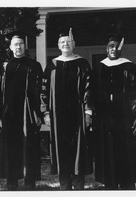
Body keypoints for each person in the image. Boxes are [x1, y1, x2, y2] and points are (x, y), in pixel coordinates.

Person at [90, 35, 136, 190]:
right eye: (110, 46)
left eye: (116, 46)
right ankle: (110, 185)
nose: (114, 49)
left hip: (125, 117)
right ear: (106, 48)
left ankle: (127, 185)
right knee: (108, 151)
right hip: (105, 118)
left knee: (125, 153)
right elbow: (93, 93)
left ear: (120, 48)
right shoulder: (100, 67)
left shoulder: (130, 67)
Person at [40, 28, 93, 190]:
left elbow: (88, 89)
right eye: (62, 42)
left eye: (68, 42)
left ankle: (78, 186)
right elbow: (43, 90)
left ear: (74, 44)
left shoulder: (82, 64)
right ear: (58, 45)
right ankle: (64, 187)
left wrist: (88, 111)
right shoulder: (52, 65)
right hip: (57, 116)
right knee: (61, 150)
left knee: (77, 150)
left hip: (77, 114)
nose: (65, 44)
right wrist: (46, 112)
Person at [0, 30, 43, 190]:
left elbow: (38, 91)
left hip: (28, 111)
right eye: (15, 44)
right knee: (11, 147)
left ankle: (30, 182)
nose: (19, 47)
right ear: (10, 47)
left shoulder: (34, 65)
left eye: (21, 44)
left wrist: (39, 112)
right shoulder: (4, 66)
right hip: (9, 113)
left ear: (25, 46)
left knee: (28, 146)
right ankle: (12, 183)